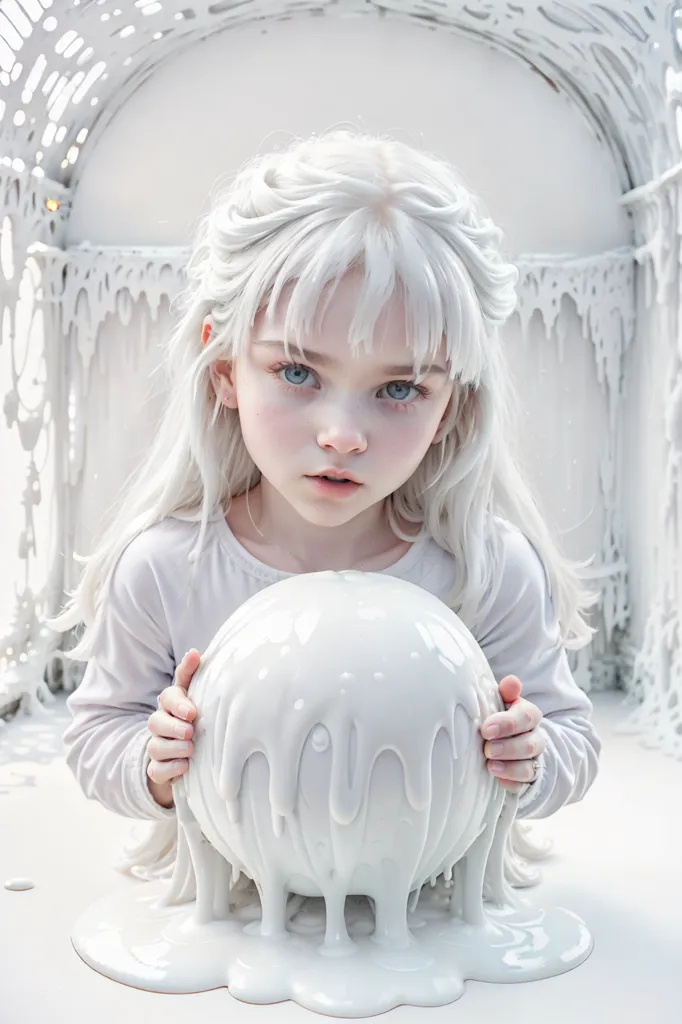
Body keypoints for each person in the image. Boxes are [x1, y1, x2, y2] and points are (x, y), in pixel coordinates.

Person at [53, 130, 601, 828]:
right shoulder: (167, 568)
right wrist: (153, 766)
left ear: (452, 406)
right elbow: (100, 734)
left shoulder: (485, 569)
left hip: (425, 900)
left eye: (399, 388)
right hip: (233, 905)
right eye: (297, 373)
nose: (342, 434)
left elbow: (571, 739)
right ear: (225, 370)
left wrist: (531, 758)